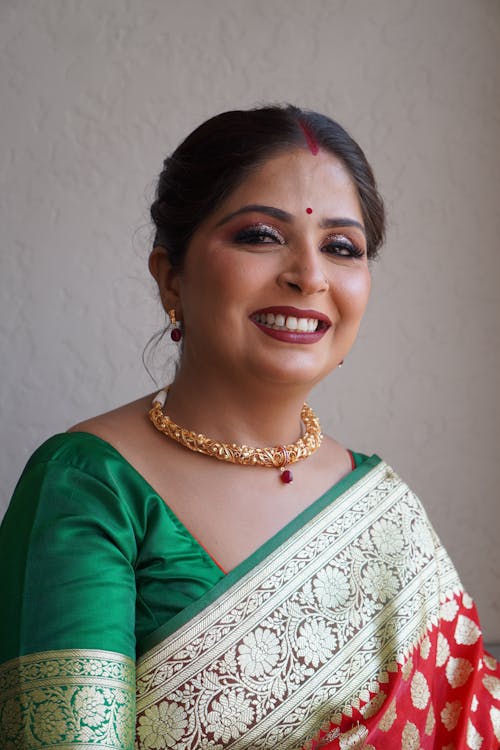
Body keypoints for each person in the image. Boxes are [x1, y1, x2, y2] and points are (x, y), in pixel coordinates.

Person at [0, 105, 498, 750]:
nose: (310, 276)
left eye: (342, 247)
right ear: (170, 275)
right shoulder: (88, 484)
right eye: (261, 236)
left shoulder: (384, 504)